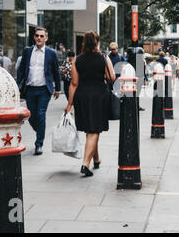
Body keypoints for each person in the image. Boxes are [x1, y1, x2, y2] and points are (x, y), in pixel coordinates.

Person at [64, 31, 115, 177]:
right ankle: (85, 164)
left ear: (83, 43)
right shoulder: (103, 57)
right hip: (99, 97)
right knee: (94, 130)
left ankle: (97, 159)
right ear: (97, 42)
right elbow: (111, 76)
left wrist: (69, 104)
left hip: (82, 97)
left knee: (91, 130)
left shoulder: (77, 60)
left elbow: (74, 84)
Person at [17, 27, 61, 156]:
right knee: (31, 116)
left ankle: (39, 144)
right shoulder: (27, 51)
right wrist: (18, 86)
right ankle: (40, 131)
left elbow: (56, 72)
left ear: (46, 38)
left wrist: (58, 88)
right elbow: (21, 70)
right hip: (30, 89)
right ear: (34, 37)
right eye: (37, 35)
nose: (39, 38)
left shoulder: (51, 53)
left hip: (44, 90)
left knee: (41, 114)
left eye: (42, 36)